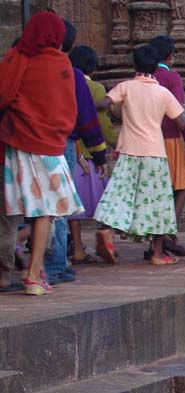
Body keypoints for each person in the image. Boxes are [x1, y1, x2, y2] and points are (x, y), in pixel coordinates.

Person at [0, 11, 84, 295]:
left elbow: (3, 94)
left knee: (16, 211)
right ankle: (34, 274)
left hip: (18, 143)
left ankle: (16, 272)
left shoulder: (17, 57)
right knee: (46, 212)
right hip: (49, 147)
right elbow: (68, 109)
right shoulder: (61, 62)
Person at [92, 44, 185, 265]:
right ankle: (156, 253)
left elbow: (104, 104)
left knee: (120, 197)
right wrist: (183, 109)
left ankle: (108, 232)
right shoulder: (163, 92)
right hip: (155, 153)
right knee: (157, 203)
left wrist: (80, 102)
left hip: (128, 151)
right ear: (156, 67)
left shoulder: (125, 87)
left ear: (134, 65)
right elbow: (181, 122)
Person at [44, 18, 108, 285]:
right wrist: (100, 153)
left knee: (38, 208)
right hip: (61, 143)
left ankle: (38, 263)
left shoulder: (24, 66)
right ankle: (55, 265)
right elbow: (86, 116)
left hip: (27, 143)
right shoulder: (71, 73)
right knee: (58, 206)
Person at [67, 44, 118, 265]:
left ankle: (77, 246)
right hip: (90, 156)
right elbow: (102, 125)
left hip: (73, 153)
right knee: (106, 204)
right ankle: (106, 237)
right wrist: (115, 143)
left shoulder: (66, 83)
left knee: (73, 210)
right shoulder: (96, 88)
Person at [149, 35, 185, 258]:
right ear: (170, 55)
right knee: (181, 187)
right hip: (171, 140)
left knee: (158, 191)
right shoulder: (172, 77)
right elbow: (179, 114)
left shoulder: (146, 77)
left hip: (150, 141)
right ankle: (169, 233)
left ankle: (154, 242)